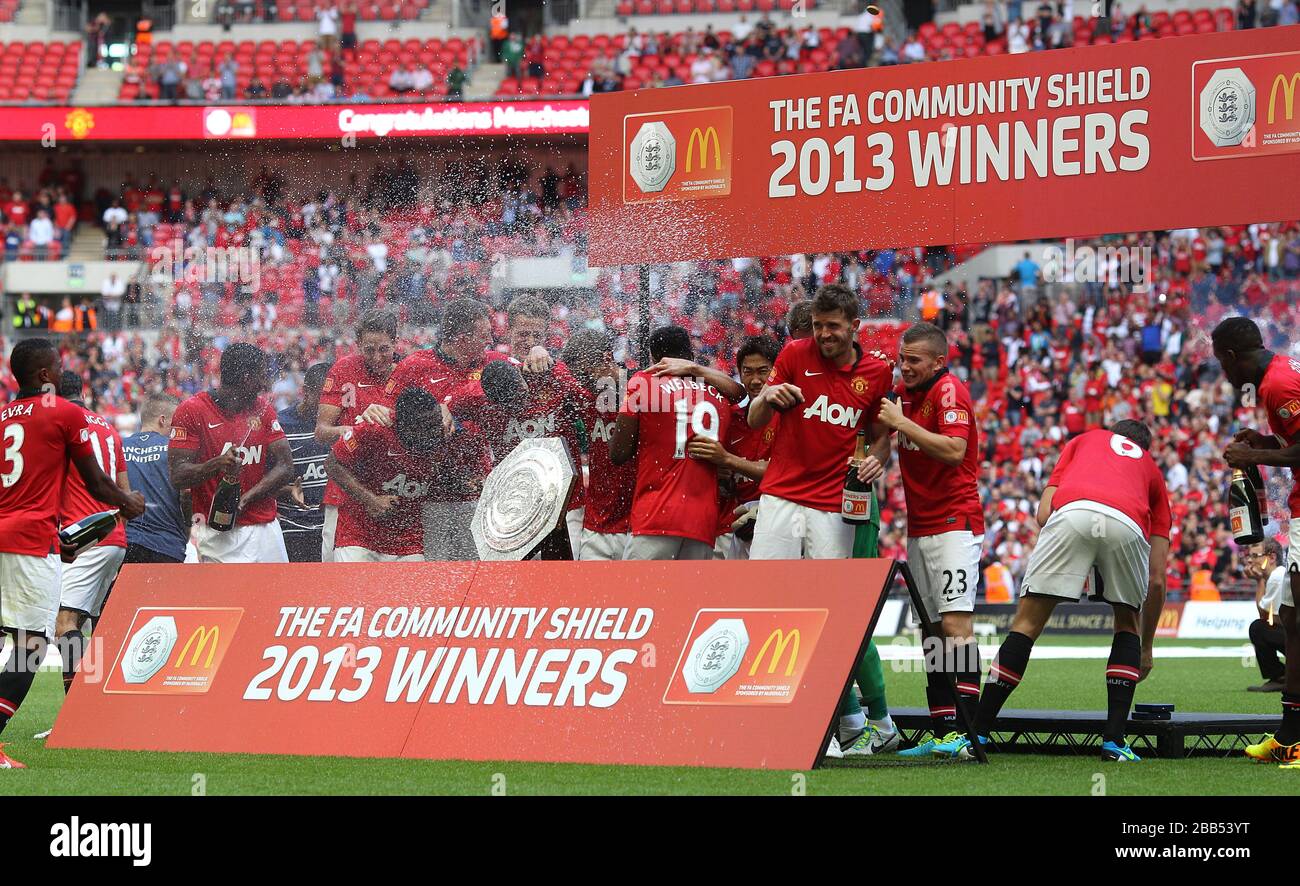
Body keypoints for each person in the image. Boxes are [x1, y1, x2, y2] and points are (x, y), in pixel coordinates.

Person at [943, 421, 1170, 762]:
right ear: (1144, 449)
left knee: (1026, 625)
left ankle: (978, 736)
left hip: (1072, 513)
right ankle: (1114, 743)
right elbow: (1156, 579)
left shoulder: (1084, 440)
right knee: (1126, 624)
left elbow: (1043, 514)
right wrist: (1147, 647)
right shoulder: (1151, 470)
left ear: (1111, 433)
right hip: (1127, 522)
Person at [0, 339, 144, 769]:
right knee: (32, 644)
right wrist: (127, 502)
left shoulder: (3, 416)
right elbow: (97, 482)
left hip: (13, 536)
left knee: (32, 636)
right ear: (45, 375)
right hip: (30, 544)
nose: (62, 372)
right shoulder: (64, 413)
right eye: (58, 366)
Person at [872, 322, 986, 757]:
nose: (905, 366)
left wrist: (902, 423)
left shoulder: (949, 391)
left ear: (939, 361)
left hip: (955, 522)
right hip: (922, 526)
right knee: (932, 632)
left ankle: (969, 732)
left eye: (914, 360)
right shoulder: (907, 393)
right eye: (902, 358)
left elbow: (954, 451)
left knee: (956, 626)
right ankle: (942, 734)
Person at [1213, 317, 1300, 765]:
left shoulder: (1277, 385)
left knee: (1297, 616)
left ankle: (1293, 735)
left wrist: (1253, 455)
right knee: (1289, 615)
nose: (1224, 376)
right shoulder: (1283, 370)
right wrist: (1265, 441)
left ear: (1230, 357)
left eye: (1221, 364)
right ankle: (1290, 731)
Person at [386, 299, 510, 560]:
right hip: (431, 498)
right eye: (483, 335)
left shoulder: (494, 364)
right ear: (462, 339)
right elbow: (392, 421)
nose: (490, 340)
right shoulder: (414, 367)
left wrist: (538, 352)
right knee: (439, 580)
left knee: (482, 579)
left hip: (481, 494)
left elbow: (522, 380)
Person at [610, 325, 743, 560]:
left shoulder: (644, 382)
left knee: (638, 595)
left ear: (653, 358)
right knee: (688, 596)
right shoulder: (718, 391)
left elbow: (618, 453)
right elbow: (740, 393)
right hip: (702, 520)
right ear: (690, 355)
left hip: (656, 514)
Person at [44, 372, 131, 721]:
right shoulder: (108, 429)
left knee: (63, 622)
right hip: (114, 537)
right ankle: (95, 712)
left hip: (83, 539)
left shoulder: (61, 428)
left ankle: (76, 718)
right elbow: (123, 487)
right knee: (81, 624)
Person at [168, 343, 294, 564]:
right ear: (247, 378)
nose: (265, 384)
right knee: (226, 600)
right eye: (261, 376)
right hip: (219, 533)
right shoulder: (192, 411)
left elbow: (285, 465)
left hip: (266, 529)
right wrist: (217, 464)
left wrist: (247, 498)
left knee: (279, 598)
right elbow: (178, 476)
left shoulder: (263, 409)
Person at [325, 388, 453, 562]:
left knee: (417, 588)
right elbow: (332, 464)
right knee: (352, 589)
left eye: (436, 423)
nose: (434, 432)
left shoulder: (445, 434)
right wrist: (371, 500)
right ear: (402, 425)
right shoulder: (372, 429)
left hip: (408, 541)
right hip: (359, 537)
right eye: (426, 427)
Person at [315, 308, 399, 562]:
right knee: (337, 580)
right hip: (346, 488)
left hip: (392, 488)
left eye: (384, 349)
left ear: (395, 343)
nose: (376, 357)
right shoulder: (344, 370)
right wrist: (356, 431)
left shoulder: (406, 372)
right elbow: (321, 431)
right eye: (369, 349)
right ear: (359, 344)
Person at [690, 336, 779, 561]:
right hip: (736, 525)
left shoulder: (788, 417)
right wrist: (720, 476)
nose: (756, 380)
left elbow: (780, 472)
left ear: (776, 372)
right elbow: (723, 480)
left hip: (778, 519)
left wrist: (727, 459)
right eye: (748, 372)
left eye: (763, 371)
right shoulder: (730, 419)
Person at [563, 330, 636, 561]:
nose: (583, 384)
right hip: (595, 525)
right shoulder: (581, 397)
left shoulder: (641, 389)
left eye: (586, 375)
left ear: (606, 359)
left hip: (639, 524)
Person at [122, 394, 189, 564]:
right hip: (167, 546)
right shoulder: (175, 450)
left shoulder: (119, 446)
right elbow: (187, 496)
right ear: (163, 420)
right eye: (177, 422)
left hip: (126, 544)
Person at [278, 363, 332, 563]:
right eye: (323, 397)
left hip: (334, 529)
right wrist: (285, 490)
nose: (328, 405)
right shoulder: (281, 425)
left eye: (333, 398)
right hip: (294, 529)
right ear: (306, 391)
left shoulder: (341, 422)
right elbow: (259, 479)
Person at [1247, 538, 1288, 693]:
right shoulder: (1280, 575)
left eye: (1256, 556)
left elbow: (1265, 618)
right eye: (1249, 556)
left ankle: (1280, 676)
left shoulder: (1277, 577)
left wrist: (1259, 581)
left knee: (1257, 628)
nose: (1251, 561)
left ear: (1271, 557)